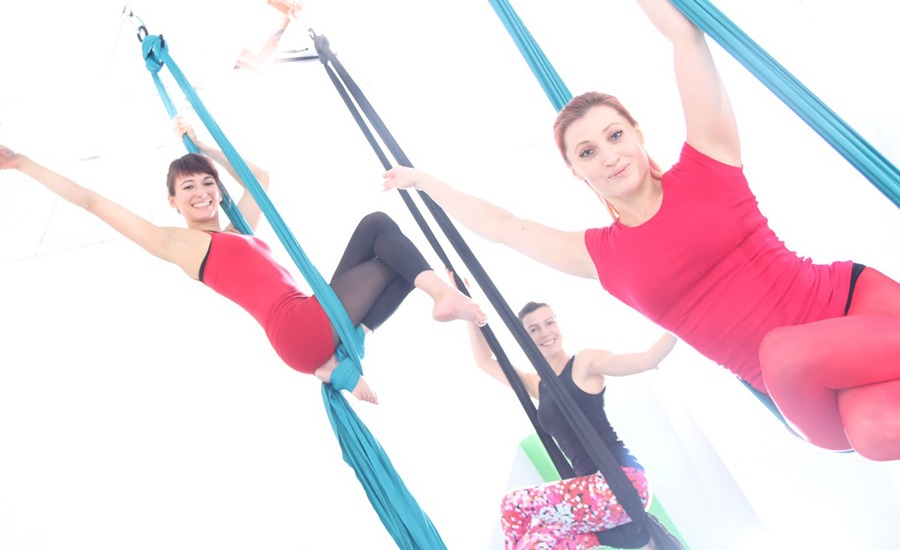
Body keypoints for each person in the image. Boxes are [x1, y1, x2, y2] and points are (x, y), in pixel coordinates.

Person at [383, 0, 900, 460]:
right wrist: (424, 181)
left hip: (855, 306)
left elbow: (685, 37)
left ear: (636, 133)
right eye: (587, 152)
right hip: (796, 387)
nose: (609, 157)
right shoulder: (599, 255)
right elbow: (500, 225)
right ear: (576, 171)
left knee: (791, 354)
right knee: (872, 432)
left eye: (614, 135)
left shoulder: (707, 162)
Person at [0, 117, 486, 404]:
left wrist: (202, 149)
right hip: (298, 326)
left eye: (207, 183)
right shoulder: (180, 245)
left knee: (378, 230)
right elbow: (91, 201)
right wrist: (22, 163)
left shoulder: (238, 233)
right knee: (389, 247)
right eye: (187, 187)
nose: (201, 192)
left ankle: (343, 353)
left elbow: (260, 178)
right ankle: (436, 299)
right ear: (171, 201)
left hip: (307, 320)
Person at [460, 294, 676, 549]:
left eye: (549, 323)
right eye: (534, 329)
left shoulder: (584, 363)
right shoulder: (538, 385)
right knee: (535, 543)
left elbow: (648, 359)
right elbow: (485, 362)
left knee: (513, 504)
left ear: (558, 326)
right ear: (525, 338)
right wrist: (468, 311)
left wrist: (681, 315)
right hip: (590, 498)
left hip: (621, 484)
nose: (545, 333)